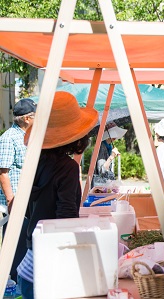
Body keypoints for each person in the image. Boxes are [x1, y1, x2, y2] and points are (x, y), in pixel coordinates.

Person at [16, 91, 98, 299]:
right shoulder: (67, 168)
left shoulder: (34, 163)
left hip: (28, 264)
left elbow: (24, 209)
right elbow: (67, 218)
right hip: (49, 268)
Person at [0, 97, 36, 282]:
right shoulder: (8, 138)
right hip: (14, 203)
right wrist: (11, 201)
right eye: (36, 116)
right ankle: (13, 284)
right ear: (28, 119)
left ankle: (21, 281)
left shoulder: (27, 137)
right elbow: (3, 172)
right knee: (16, 246)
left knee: (25, 242)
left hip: (27, 202)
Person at [93, 121, 127, 186]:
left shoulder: (108, 146)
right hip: (100, 187)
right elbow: (102, 170)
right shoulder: (101, 147)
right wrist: (111, 157)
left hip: (105, 185)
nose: (115, 137)